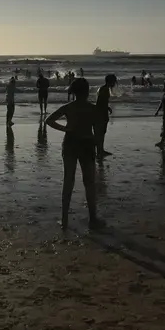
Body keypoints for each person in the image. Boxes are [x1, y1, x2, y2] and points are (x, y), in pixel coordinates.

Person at [45, 78, 103, 231]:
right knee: (89, 182)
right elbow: (98, 132)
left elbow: (49, 120)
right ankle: (93, 219)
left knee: (68, 180)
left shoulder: (68, 107)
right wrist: (97, 146)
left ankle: (64, 219)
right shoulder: (93, 108)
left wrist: (65, 129)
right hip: (86, 144)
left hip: (70, 143)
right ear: (87, 91)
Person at [94, 74, 116, 159]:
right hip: (101, 114)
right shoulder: (105, 89)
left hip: (100, 113)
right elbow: (100, 103)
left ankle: (100, 150)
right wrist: (104, 113)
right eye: (114, 81)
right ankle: (99, 151)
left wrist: (107, 107)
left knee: (101, 133)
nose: (115, 83)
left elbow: (101, 101)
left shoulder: (103, 88)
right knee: (100, 133)